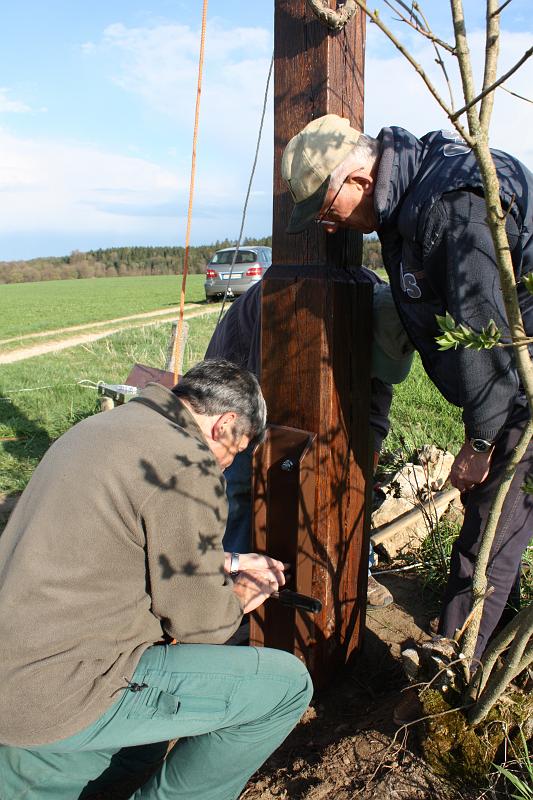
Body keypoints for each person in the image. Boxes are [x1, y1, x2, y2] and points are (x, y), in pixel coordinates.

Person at [281, 113, 533, 662]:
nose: (328, 226)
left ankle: (453, 666)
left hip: (520, 381)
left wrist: (481, 443)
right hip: (509, 377)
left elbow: (483, 336)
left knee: (491, 529)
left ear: (358, 181)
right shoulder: (410, 199)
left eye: (327, 209)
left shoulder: (449, 204)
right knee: (493, 523)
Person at [0, 359, 313, 800]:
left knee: (142, 750)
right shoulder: (187, 465)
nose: (225, 468)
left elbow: (120, 540)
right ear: (224, 425)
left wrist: (230, 560)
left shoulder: (101, 428)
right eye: (234, 453)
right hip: (61, 693)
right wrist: (244, 593)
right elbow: (201, 626)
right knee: (286, 687)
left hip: (15, 674)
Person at [205, 274, 414, 610]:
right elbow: (268, 404)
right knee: (243, 483)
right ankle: (235, 584)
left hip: (301, 374)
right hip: (242, 382)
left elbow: (377, 397)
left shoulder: (378, 301)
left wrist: (367, 457)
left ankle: (361, 569)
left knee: (350, 487)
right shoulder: (289, 299)